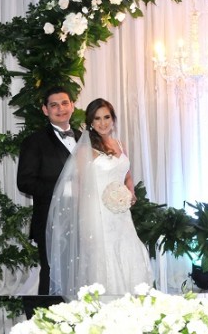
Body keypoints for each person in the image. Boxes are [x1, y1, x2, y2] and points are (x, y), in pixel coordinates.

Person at [46, 98, 152, 296]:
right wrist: (86, 224)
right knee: (103, 259)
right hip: (98, 215)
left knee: (128, 251)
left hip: (121, 215)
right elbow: (80, 188)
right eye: (97, 118)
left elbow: (127, 175)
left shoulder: (119, 144)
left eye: (107, 117)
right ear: (91, 123)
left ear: (113, 119)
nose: (103, 123)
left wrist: (130, 192)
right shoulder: (86, 150)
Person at [16, 86, 80, 295]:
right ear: (45, 110)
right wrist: (65, 187)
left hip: (83, 220)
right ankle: (47, 322)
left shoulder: (83, 138)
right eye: (54, 105)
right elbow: (25, 182)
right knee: (52, 273)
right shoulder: (34, 142)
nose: (60, 108)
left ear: (72, 105)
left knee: (81, 272)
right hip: (50, 221)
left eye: (64, 103)